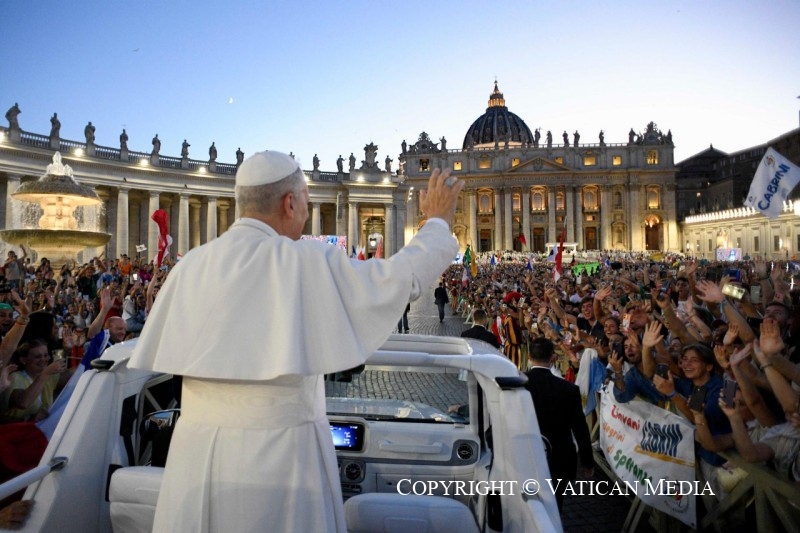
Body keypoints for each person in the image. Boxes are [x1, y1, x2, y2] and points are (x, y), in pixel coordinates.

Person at [128, 151, 463, 532]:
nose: (306, 212)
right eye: (305, 200)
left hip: (193, 459)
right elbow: (401, 279)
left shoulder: (189, 266)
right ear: (290, 203)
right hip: (281, 460)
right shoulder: (304, 260)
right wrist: (437, 221)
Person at [524, 338, 594, 512]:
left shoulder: (516, 384)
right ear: (553, 358)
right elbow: (580, 428)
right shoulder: (569, 390)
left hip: (524, 454)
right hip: (559, 457)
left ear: (530, 356)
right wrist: (587, 461)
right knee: (555, 506)